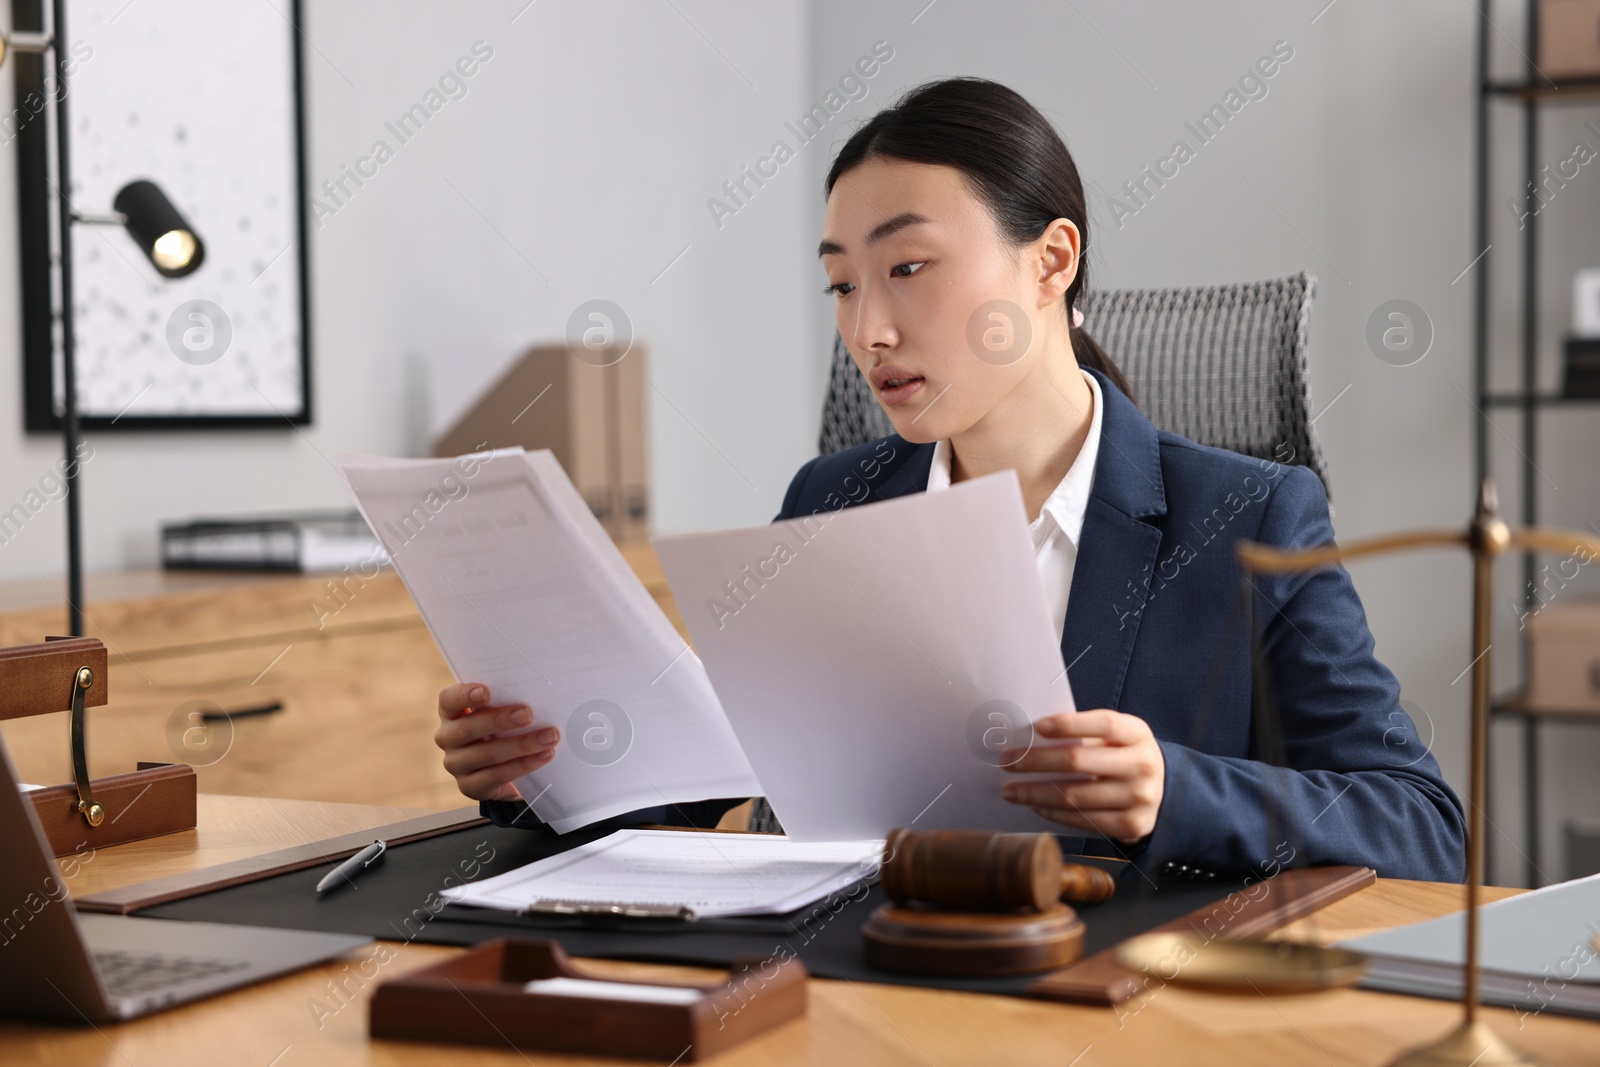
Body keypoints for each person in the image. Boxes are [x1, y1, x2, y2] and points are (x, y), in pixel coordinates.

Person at [434, 77, 1465, 881]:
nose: (866, 329)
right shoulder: (828, 502)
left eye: (909, 267)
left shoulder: (1248, 514)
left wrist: (1170, 789)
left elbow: (1421, 824)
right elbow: (713, 788)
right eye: (841, 283)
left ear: (1052, 260)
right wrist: (543, 778)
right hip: (851, 997)